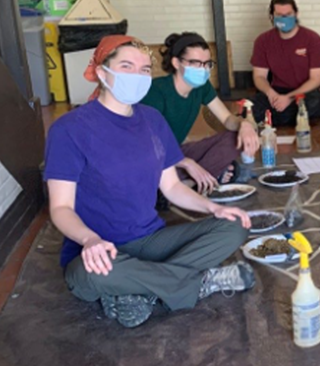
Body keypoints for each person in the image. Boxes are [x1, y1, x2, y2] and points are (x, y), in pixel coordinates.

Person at [45, 36, 256, 329]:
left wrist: (214, 208)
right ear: (103, 72)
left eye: (144, 69)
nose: (137, 75)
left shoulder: (152, 120)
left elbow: (172, 187)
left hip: (149, 240)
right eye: (126, 66)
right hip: (101, 251)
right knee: (88, 275)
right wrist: (89, 240)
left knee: (234, 226)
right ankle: (198, 282)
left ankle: (140, 289)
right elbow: (61, 208)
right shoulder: (69, 129)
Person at [141, 33, 259, 194]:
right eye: (195, 63)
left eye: (207, 64)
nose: (203, 69)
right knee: (157, 169)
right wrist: (187, 163)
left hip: (178, 153)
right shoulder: (156, 91)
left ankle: (190, 183)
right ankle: (195, 180)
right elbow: (148, 144)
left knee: (234, 137)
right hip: (154, 158)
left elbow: (226, 119)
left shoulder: (202, 87)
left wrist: (244, 125)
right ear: (176, 63)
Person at [251, 0, 320, 126]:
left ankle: (274, 118)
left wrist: (289, 98)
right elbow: (259, 76)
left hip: (305, 92)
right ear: (272, 16)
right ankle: (292, 118)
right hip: (277, 91)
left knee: (315, 102)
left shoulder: (312, 39)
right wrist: (271, 94)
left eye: (288, 14)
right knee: (251, 106)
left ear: (296, 14)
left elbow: (316, 79)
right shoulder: (262, 41)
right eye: (279, 15)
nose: (284, 19)